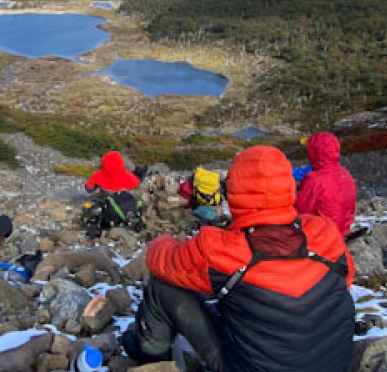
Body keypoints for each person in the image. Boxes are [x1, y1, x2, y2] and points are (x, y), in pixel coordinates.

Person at [120, 145, 355, 372]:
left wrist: (164, 240)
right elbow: (343, 281)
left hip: (247, 367)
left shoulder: (221, 248)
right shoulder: (326, 233)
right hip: (332, 364)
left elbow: (159, 260)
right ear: (289, 186)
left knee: (163, 287)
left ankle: (150, 351)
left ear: (233, 191)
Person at [295, 131, 357, 237]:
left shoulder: (315, 180)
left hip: (322, 236)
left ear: (314, 152)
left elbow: (300, 211)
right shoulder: (345, 174)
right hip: (341, 230)